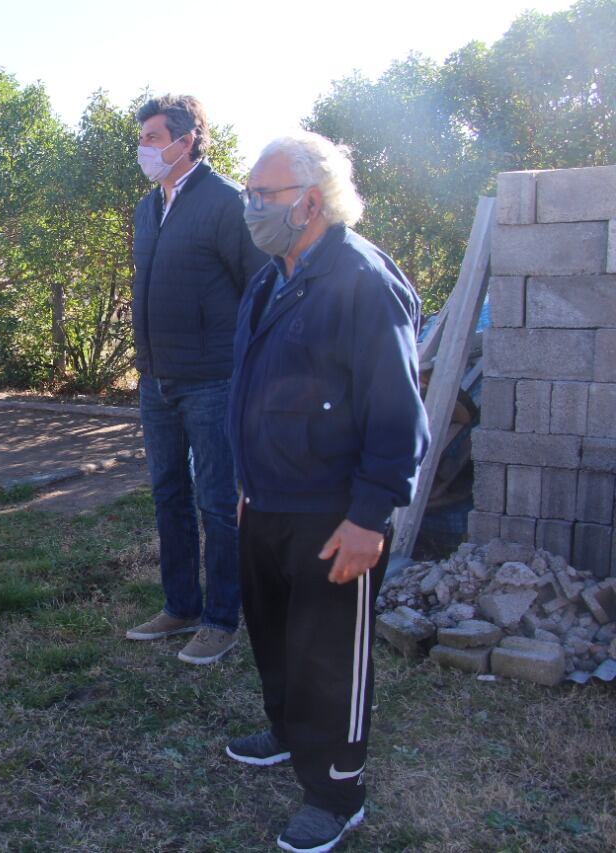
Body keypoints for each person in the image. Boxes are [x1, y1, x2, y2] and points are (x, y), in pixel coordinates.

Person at [226, 131, 429, 853]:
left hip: (332, 509)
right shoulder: (270, 276)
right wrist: (248, 481)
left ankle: (338, 788)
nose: (250, 206)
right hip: (268, 501)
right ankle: (286, 731)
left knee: (328, 654)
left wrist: (370, 516)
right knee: (276, 635)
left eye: (262, 194)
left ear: (309, 202)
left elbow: (399, 413)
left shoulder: (362, 278)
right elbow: (253, 390)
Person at [124, 95, 267, 665]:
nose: (144, 148)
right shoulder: (147, 206)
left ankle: (221, 619)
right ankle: (180, 606)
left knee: (216, 502)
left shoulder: (229, 203)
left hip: (213, 381)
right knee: (167, 496)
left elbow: (259, 290)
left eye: (154, 137)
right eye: (142, 137)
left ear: (187, 141)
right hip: (156, 379)